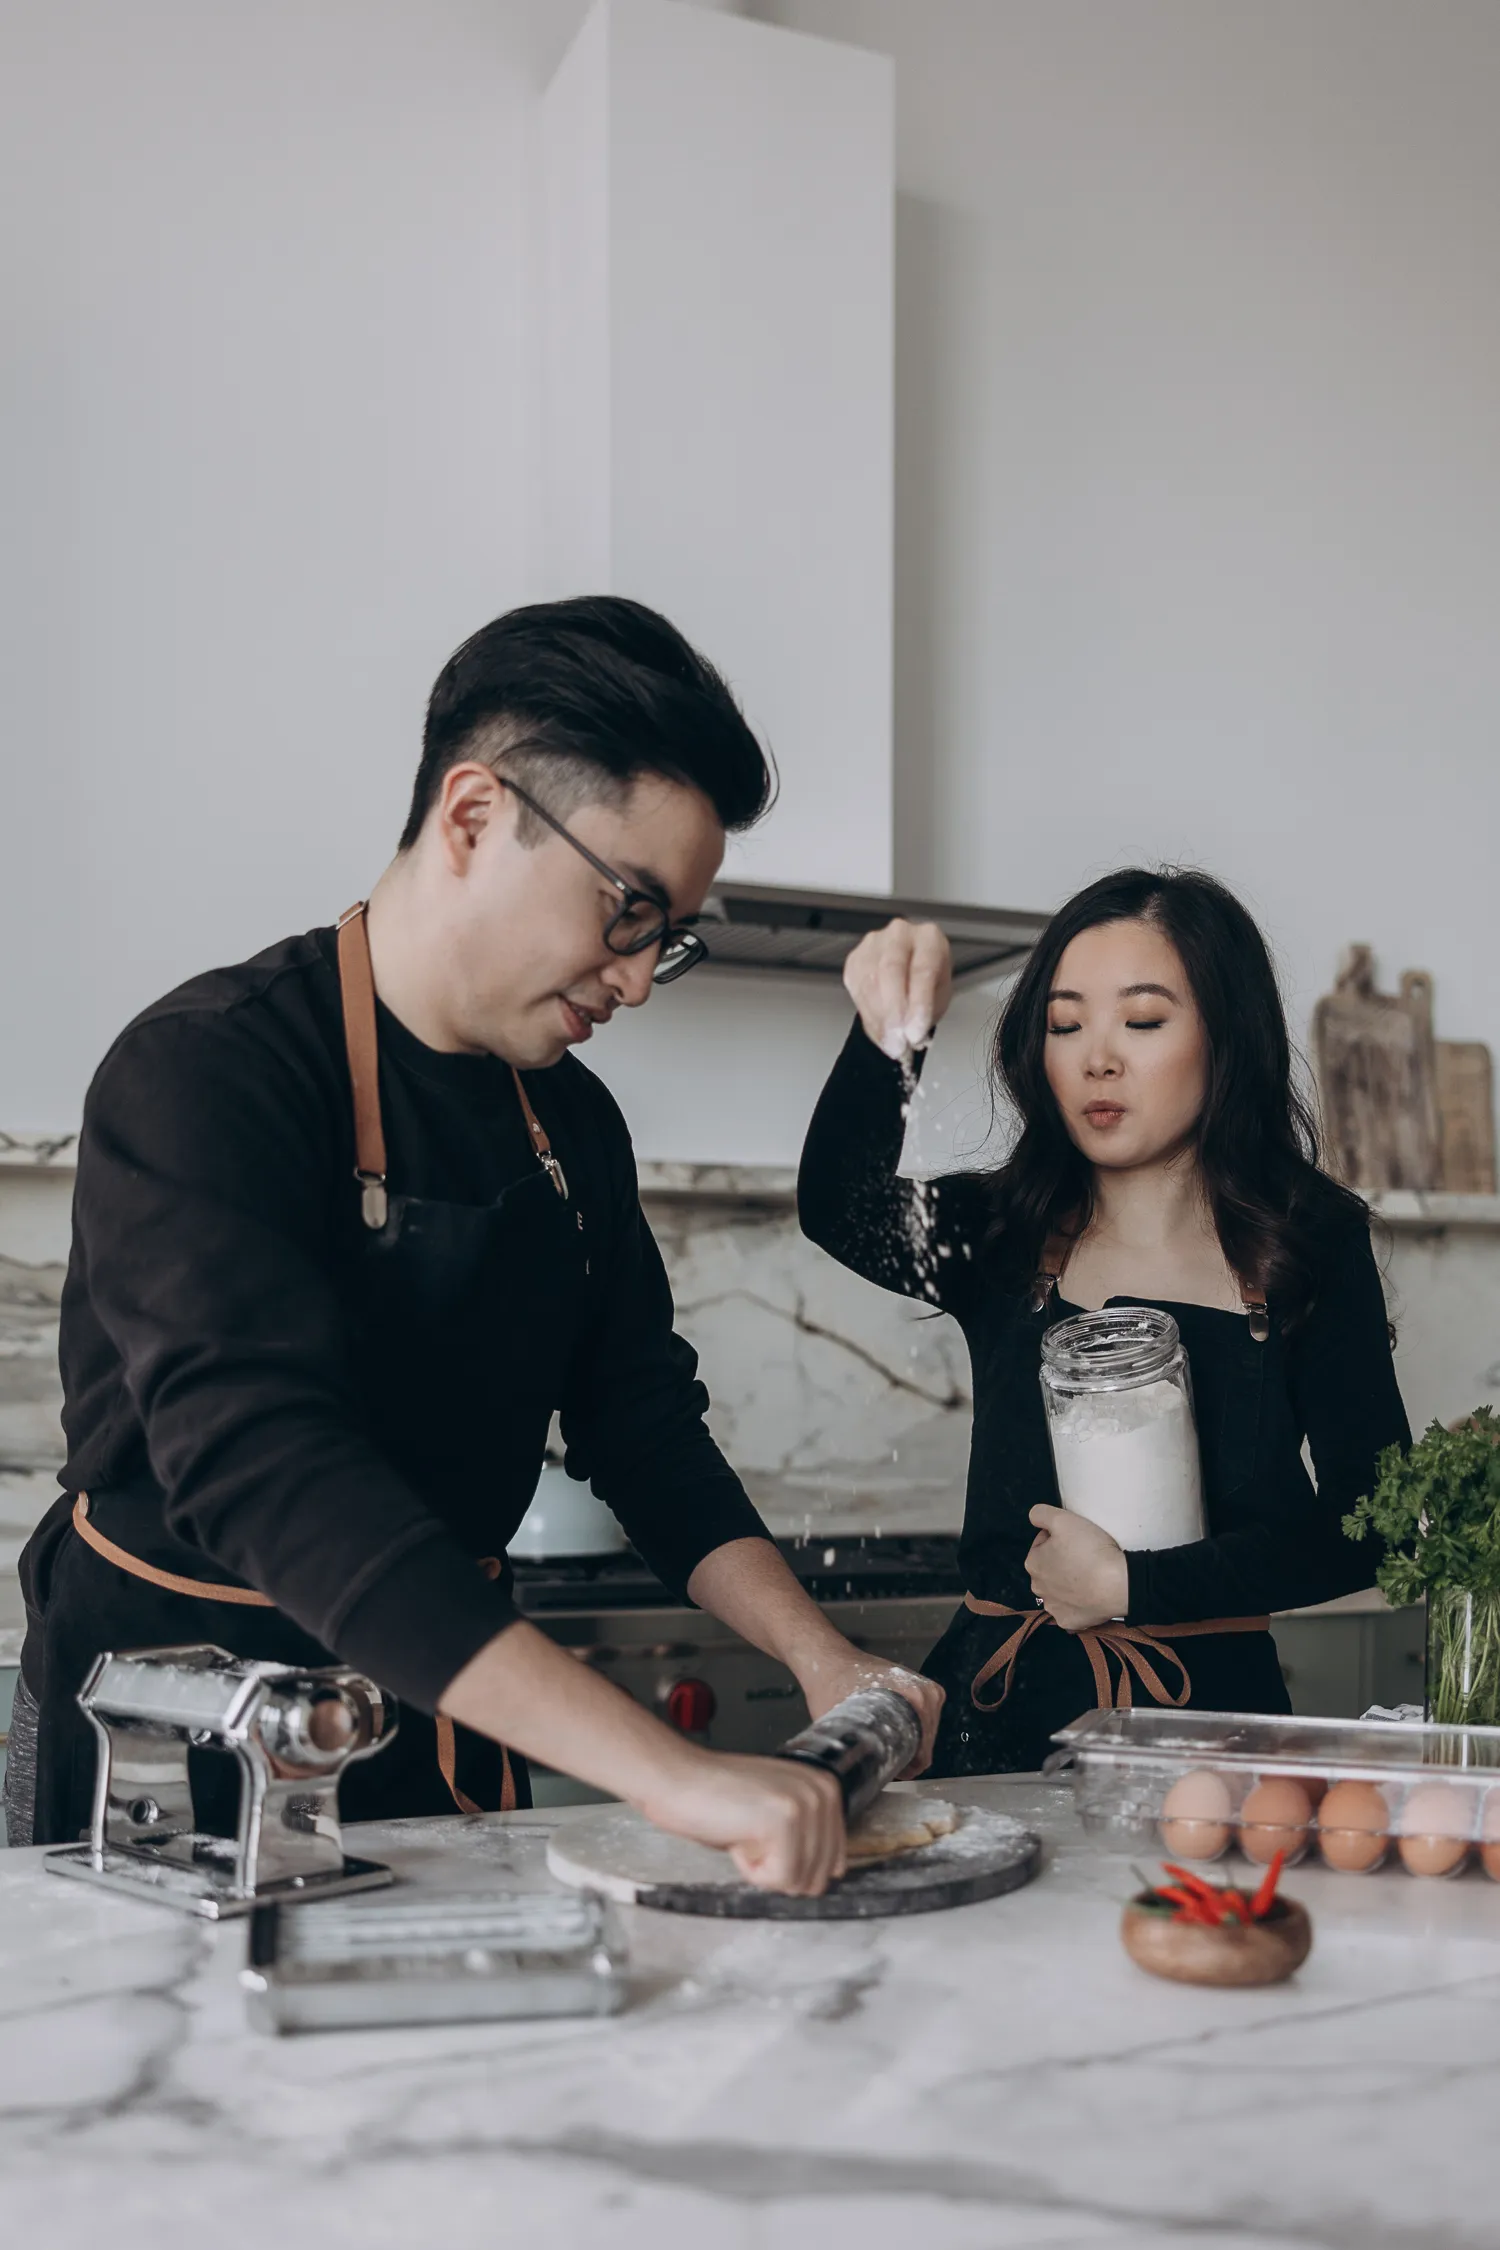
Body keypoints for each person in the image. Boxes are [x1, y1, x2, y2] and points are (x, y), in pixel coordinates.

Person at [7, 596, 941, 1888]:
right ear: (471, 815)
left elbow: (643, 1431)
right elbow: (262, 1465)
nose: (632, 977)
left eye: (666, 940)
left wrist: (821, 1657)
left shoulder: (572, 1124)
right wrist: (668, 1769)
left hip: (433, 1725)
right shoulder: (208, 1071)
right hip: (175, 1751)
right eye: (628, 908)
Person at [798, 867, 1410, 1775]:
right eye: (1065, 1023)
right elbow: (838, 1206)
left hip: (1211, 1734)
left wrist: (1137, 1585)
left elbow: (1376, 1521)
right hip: (994, 1730)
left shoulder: (1308, 1242)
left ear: (1227, 1036)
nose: (1097, 1058)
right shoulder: (1002, 1235)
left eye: (1145, 1020)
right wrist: (890, 1034)